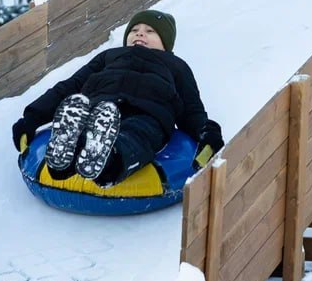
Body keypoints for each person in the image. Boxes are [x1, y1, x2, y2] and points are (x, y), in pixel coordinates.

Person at [11, 9, 224, 186]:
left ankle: (109, 161)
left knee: (136, 136)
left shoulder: (176, 66)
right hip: (100, 109)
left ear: (165, 43)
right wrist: (33, 117)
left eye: (150, 31)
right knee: (87, 121)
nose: (140, 34)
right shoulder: (109, 56)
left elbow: (191, 108)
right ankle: (65, 160)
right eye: (134, 30)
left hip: (148, 113)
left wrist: (207, 131)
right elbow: (70, 86)